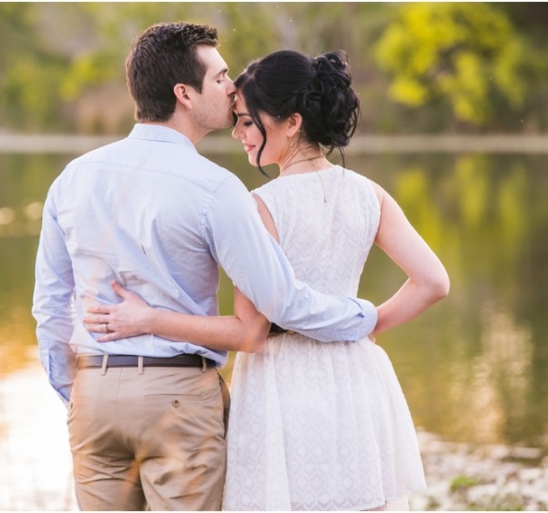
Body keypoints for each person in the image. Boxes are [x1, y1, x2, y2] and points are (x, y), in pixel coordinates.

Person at [32, 23, 380, 511]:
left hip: (94, 394)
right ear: (184, 94)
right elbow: (281, 301)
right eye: (219, 78)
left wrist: (75, 393)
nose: (232, 87)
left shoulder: (73, 178)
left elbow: (50, 306)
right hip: (177, 396)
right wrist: (362, 316)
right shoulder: (214, 189)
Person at [84, 49, 450, 510]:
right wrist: (370, 324)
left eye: (247, 121)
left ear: (291, 123)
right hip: (359, 379)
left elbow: (248, 332)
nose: (237, 132)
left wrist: (148, 319)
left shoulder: (261, 206)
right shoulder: (370, 196)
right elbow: (433, 282)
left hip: (286, 385)